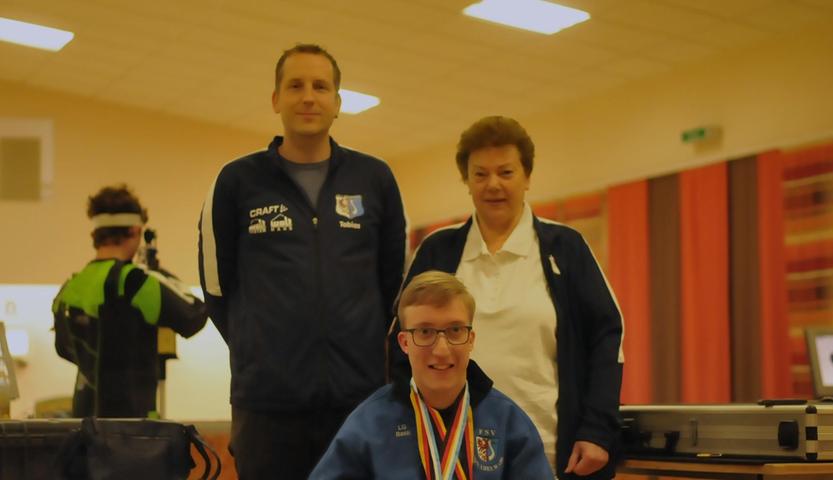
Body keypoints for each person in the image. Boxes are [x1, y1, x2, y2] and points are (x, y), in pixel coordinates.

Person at [198, 43, 407, 478]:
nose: (308, 97)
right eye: (295, 85)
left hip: (359, 403)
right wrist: (264, 348)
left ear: (337, 102)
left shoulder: (375, 179)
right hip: (266, 409)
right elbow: (217, 290)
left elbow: (392, 286)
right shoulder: (237, 182)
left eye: (320, 86)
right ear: (275, 99)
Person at [389, 116, 624, 479]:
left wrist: (597, 430)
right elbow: (401, 343)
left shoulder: (565, 248)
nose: (493, 185)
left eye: (506, 172)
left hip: (547, 452)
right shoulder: (439, 249)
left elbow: (607, 339)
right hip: (452, 454)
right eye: (480, 174)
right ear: (466, 180)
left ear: (527, 177)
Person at [310, 271, 553, 479]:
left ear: (471, 338)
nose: (441, 350)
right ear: (404, 343)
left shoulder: (508, 422)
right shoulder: (369, 423)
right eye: (425, 331)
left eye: (455, 330)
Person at [53, 184, 207, 418]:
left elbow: (64, 348)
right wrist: (158, 273)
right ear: (136, 232)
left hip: (83, 424)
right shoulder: (133, 282)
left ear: (95, 235)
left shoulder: (70, 287)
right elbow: (193, 315)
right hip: (132, 429)